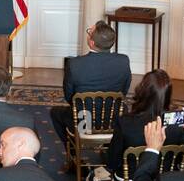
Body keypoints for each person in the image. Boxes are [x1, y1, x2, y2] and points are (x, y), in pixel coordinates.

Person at [50, 20, 131, 162]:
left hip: (84, 123)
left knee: (55, 113)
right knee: (124, 109)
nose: (88, 34)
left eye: (89, 32)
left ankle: (74, 155)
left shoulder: (75, 64)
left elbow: (69, 97)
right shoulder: (123, 61)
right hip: (114, 121)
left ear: (92, 43)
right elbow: (123, 92)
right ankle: (110, 152)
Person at [104, 69, 184, 181]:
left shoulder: (125, 122)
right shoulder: (179, 124)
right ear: (168, 94)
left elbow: (112, 162)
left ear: (142, 91)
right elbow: (182, 160)